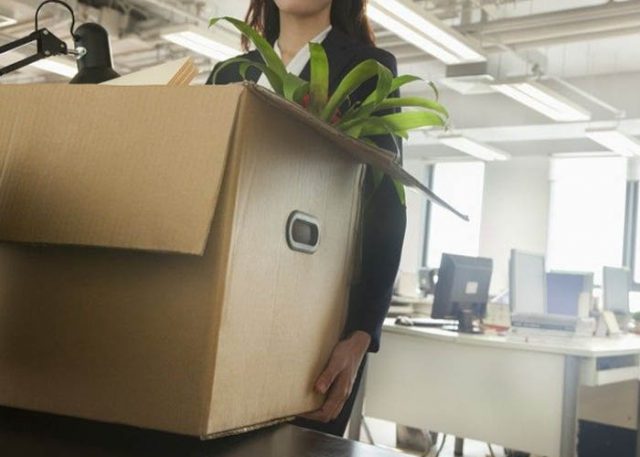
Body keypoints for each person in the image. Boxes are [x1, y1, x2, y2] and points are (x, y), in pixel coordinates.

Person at [206, 0, 406, 437]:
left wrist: (361, 333)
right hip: (225, 307)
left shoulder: (369, 69)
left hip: (317, 321)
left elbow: (386, 207)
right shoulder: (228, 74)